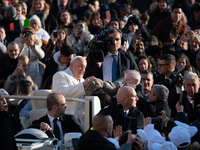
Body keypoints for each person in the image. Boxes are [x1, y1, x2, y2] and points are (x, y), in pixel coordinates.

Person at [52, 56, 95, 124]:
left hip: (82, 120)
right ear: (71, 65)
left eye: (84, 68)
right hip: (65, 118)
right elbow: (61, 93)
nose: (82, 70)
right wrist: (83, 85)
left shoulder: (83, 81)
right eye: (80, 66)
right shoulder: (60, 75)